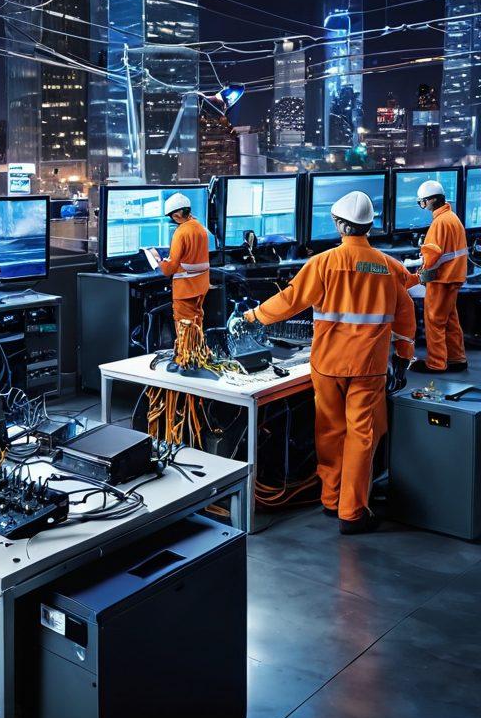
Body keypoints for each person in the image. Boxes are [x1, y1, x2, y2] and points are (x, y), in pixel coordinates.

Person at [231, 191, 417, 535]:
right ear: (369, 225)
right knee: (363, 435)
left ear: (340, 225)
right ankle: (353, 511)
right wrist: (403, 359)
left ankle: (331, 500)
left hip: (328, 363)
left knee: (329, 432)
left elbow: (289, 300)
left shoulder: (323, 263)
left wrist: (254, 315)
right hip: (369, 366)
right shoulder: (390, 267)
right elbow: (406, 318)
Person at [413, 179, 468, 374]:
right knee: (450, 319)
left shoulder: (440, 223)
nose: (422, 205)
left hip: (442, 279)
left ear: (432, 200)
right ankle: (456, 358)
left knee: (434, 320)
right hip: (454, 276)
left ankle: (436, 364)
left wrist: (418, 273)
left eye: (422, 202)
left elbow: (431, 257)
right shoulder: (452, 218)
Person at [159, 192, 211, 334]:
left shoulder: (181, 232)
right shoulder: (200, 228)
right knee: (196, 323)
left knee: (185, 329)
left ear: (176, 216)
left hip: (185, 289)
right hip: (201, 286)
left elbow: (171, 267)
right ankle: (198, 354)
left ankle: (186, 356)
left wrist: (159, 261)